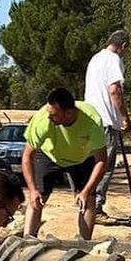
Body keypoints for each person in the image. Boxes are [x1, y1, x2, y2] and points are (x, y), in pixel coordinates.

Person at [21, 87, 108, 239]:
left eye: (53, 115)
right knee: (37, 198)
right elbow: (27, 156)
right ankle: (27, 241)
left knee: (88, 201)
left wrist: (85, 191)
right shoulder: (43, 120)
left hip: (82, 158)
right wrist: (32, 190)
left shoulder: (92, 121)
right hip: (49, 154)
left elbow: (101, 160)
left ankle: (84, 244)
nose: (49, 117)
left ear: (68, 113)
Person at [84, 29, 131, 213]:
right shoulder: (114, 60)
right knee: (104, 165)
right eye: (126, 49)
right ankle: (95, 205)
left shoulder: (95, 58)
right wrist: (124, 118)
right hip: (106, 121)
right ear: (123, 46)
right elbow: (115, 91)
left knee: (90, 164)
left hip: (89, 119)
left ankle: (85, 201)